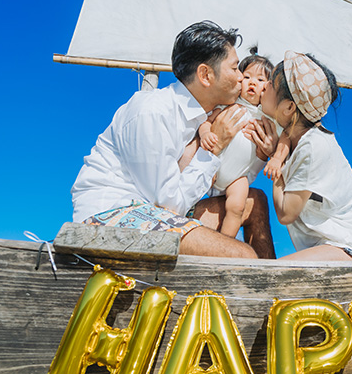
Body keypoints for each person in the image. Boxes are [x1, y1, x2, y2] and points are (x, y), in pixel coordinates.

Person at [71, 21, 277, 259]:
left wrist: (262, 153)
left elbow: (229, 176)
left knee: (256, 201)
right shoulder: (153, 112)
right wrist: (213, 148)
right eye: (235, 69)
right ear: (206, 75)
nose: (242, 77)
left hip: (159, 210)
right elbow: (169, 205)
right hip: (113, 216)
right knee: (242, 256)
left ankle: (275, 294)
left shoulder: (208, 117)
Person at [246, 50, 352, 261]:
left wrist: (275, 160)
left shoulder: (313, 147)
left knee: (272, 276)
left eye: (270, 84)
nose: (263, 86)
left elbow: (286, 213)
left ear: (289, 107)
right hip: (333, 246)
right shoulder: (291, 133)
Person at [197, 48, 274, 238]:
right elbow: (205, 121)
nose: (253, 82)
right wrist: (206, 133)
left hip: (237, 178)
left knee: (237, 207)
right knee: (194, 190)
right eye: (247, 77)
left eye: (260, 80)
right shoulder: (228, 104)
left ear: (268, 88)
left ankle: (226, 241)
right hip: (214, 165)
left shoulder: (266, 118)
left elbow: (277, 142)